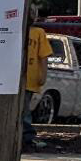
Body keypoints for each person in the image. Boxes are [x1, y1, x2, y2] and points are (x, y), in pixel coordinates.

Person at [23, 9, 49, 152]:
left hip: (30, 78)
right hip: (13, 79)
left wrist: (43, 74)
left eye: (33, 14)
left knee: (24, 109)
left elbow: (44, 56)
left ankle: (27, 138)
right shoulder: (13, 31)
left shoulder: (38, 32)